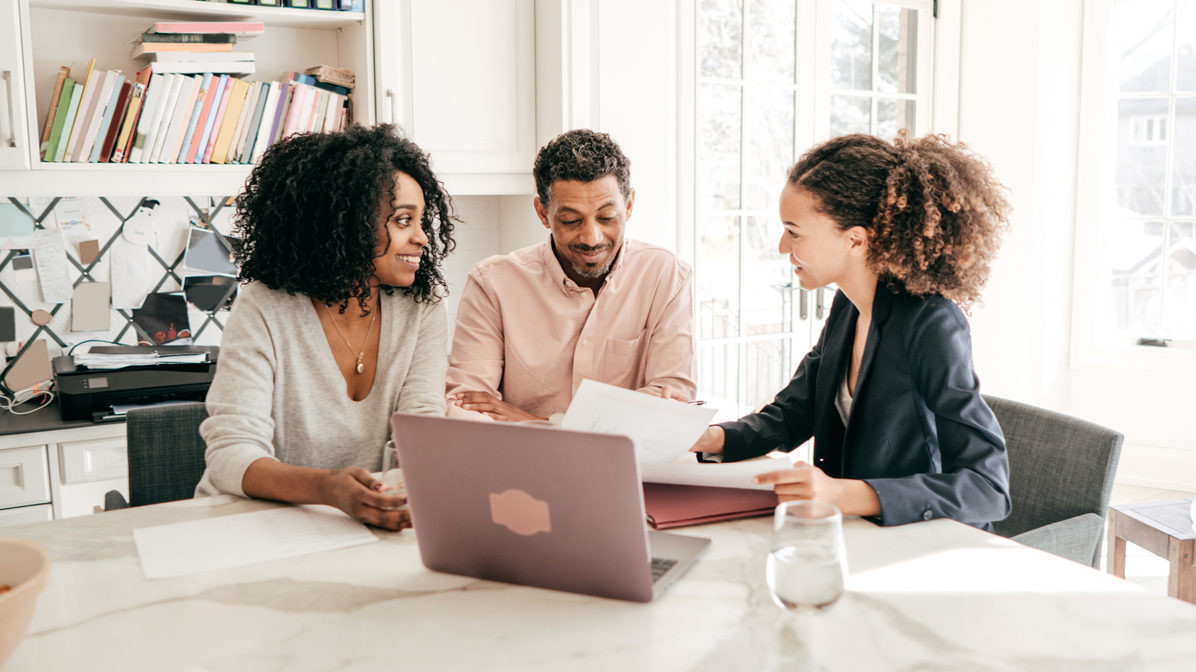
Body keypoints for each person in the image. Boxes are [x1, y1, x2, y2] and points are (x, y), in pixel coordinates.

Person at [689, 132, 1012, 530]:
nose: (780, 247)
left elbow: (988, 488)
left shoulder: (931, 324)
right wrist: (708, 437)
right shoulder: (848, 305)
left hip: (921, 542)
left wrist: (841, 494)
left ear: (855, 239)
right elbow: (793, 414)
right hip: (857, 535)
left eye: (794, 231)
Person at [195, 124, 457, 531]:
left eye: (422, 221)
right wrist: (327, 489)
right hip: (255, 526)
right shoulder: (265, 307)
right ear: (346, 223)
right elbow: (231, 455)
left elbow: (421, 429)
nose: (422, 237)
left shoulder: (422, 308)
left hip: (364, 523)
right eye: (404, 220)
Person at [446, 129, 696, 422]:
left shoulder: (666, 276)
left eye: (606, 217)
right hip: (521, 466)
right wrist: (625, 414)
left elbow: (673, 401)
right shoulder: (492, 284)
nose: (592, 237)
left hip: (627, 465)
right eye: (571, 220)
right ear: (542, 213)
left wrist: (537, 423)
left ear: (628, 206)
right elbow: (466, 408)